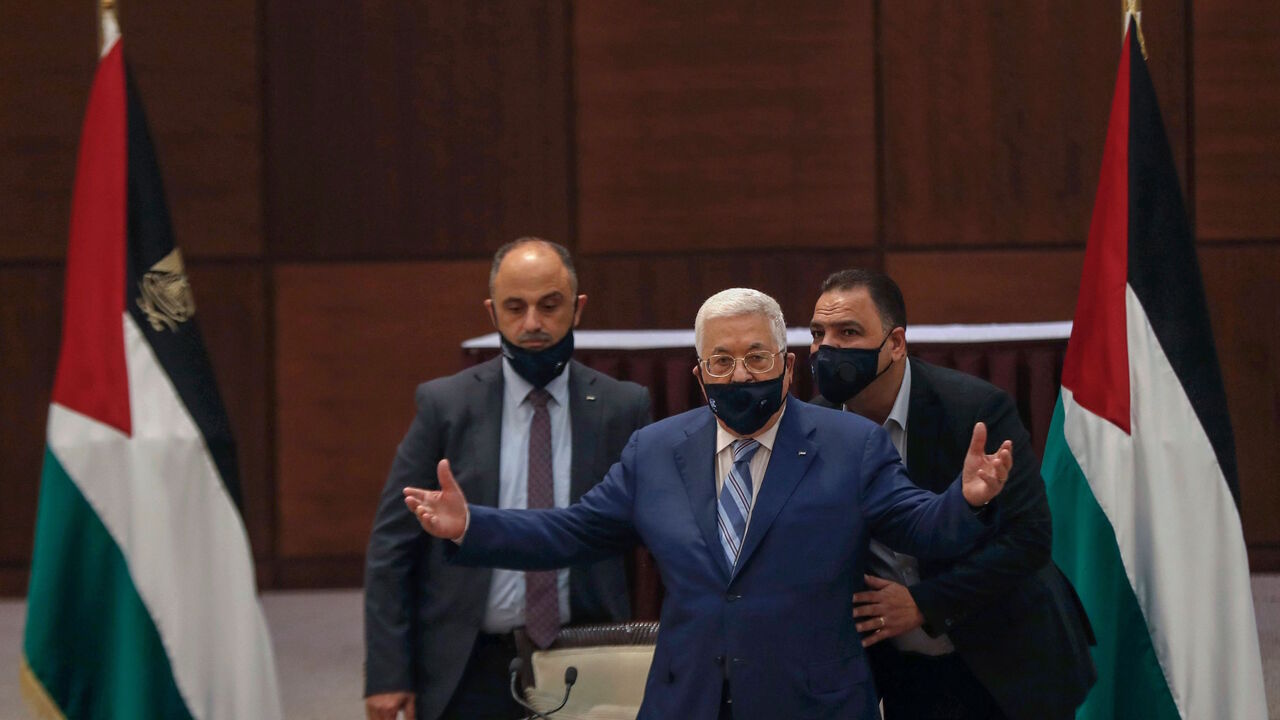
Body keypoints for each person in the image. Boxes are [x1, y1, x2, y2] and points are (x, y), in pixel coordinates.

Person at [405, 287, 1015, 720]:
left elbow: (921, 526)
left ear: (787, 366)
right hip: (688, 697)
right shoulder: (655, 451)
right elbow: (571, 531)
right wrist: (470, 526)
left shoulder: (850, 445)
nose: (740, 374)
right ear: (700, 376)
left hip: (810, 701)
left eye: (756, 357)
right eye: (722, 361)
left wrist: (966, 500)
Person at [363, 238, 651, 720]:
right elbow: (393, 543)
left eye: (549, 305)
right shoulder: (446, 406)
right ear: (492, 312)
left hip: (588, 650)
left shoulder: (622, 407)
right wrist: (388, 673)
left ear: (578, 308)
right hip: (469, 659)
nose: (532, 323)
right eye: (515, 308)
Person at [807, 269, 1096, 720]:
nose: (827, 348)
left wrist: (923, 604)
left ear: (895, 343)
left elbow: (1029, 539)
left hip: (1007, 658)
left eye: (848, 332)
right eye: (817, 334)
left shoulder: (974, 410)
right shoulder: (814, 429)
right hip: (905, 671)